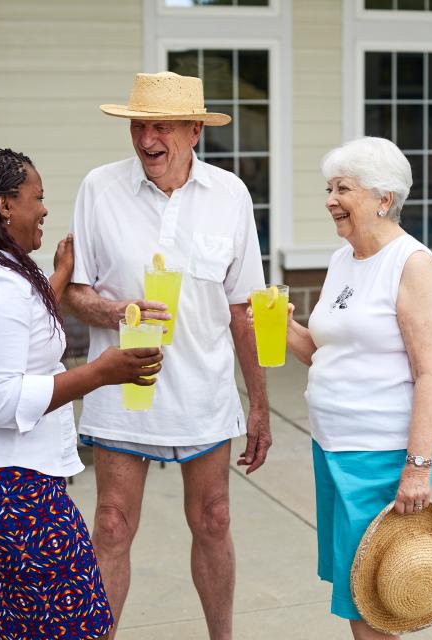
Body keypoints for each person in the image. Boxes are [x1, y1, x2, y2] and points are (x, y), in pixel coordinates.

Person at [0, 147, 164, 640]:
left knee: (16, 628)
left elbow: (17, 336)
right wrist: (100, 372)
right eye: (39, 197)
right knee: (81, 625)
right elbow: (4, 402)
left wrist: (56, 276)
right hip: (2, 488)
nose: (46, 210)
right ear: (6, 205)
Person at [63, 72, 271, 639]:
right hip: (124, 394)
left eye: (161, 126)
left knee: (214, 519)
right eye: (138, 125)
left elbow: (242, 308)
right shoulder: (99, 188)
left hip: (204, 393)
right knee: (110, 526)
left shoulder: (230, 195)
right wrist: (117, 313)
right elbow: (75, 292)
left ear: (193, 132)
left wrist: (259, 405)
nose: (147, 138)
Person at [280, 137, 432, 639]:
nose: (330, 198)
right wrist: (285, 328)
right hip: (331, 446)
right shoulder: (343, 260)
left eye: (343, 188)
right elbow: (327, 352)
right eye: (329, 188)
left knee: (372, 598)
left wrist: (417, 468)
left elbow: (430, 373)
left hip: (375, 455)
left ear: (383, 197)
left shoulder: (412, 265)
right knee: (355, 589)